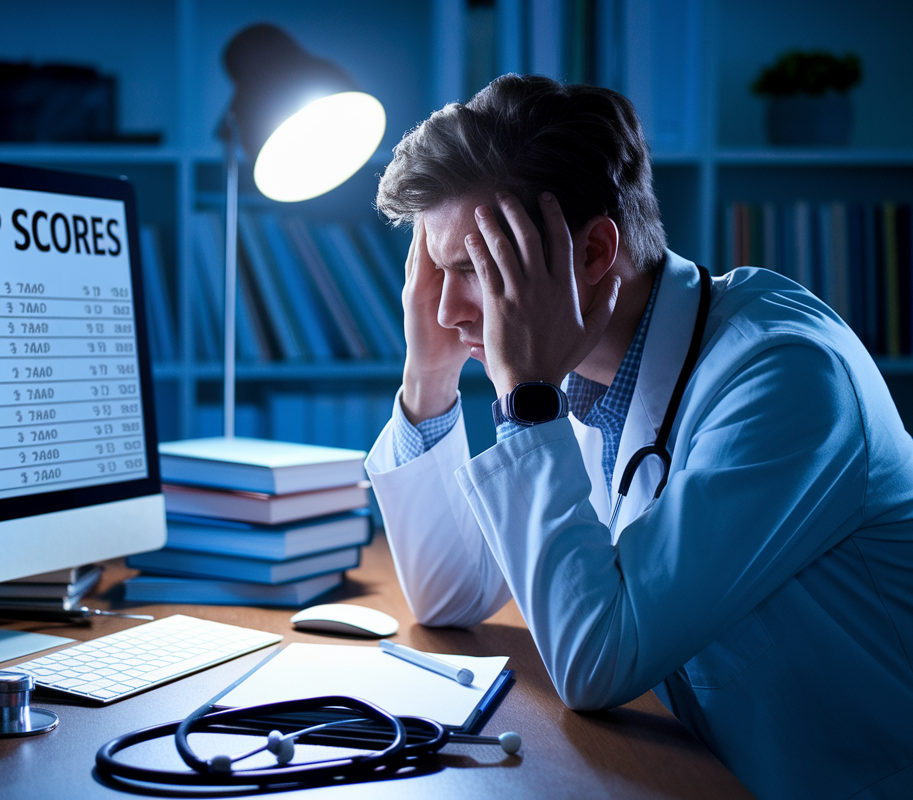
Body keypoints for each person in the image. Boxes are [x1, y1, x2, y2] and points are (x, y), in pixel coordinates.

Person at [365, 74, 913, 800]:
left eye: (475, 270)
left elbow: (598, 665)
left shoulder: (785, 376)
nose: (447, 306)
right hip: (704, 767)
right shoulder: (582, 363)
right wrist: (427, 376)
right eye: (437, 269)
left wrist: (526, 396)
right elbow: (450, 594)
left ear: (594, 253)